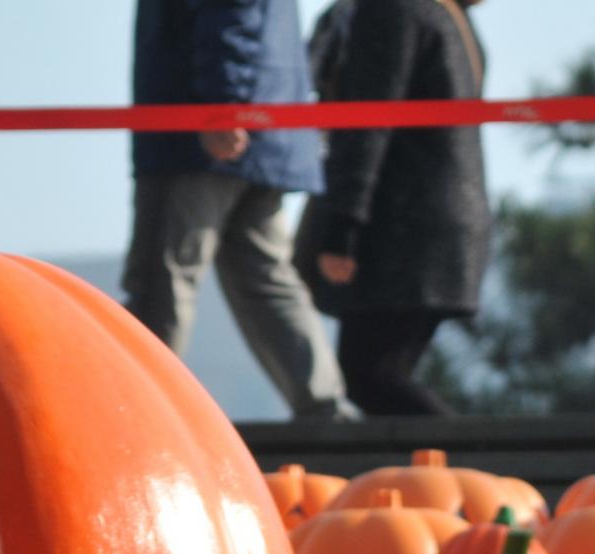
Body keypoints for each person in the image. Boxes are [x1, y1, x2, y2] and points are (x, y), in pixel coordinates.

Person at [127, 0, 351, 420]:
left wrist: (224, 102)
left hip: (201, 137)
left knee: (163, 280)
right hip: (256, 130)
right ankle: (328, 411)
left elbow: (231, 12)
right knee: (266, 279)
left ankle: (139, 413)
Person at [298, 0, 491, 417]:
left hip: (403, 227)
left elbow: (368, 122)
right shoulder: (448, 15)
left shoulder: (393, 9)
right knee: (381, 375)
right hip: (446, 220)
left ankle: (473, 467)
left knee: (370, 376)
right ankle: (461, 470)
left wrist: (343, 227)